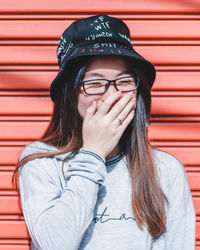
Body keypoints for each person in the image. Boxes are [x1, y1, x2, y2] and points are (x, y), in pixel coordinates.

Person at [12, 14, 196, 250]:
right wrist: (93, 152)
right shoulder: (42, 161)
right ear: (70, 94)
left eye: (124, 82)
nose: (111, 96)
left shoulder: (164, 169)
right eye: (95, 84)